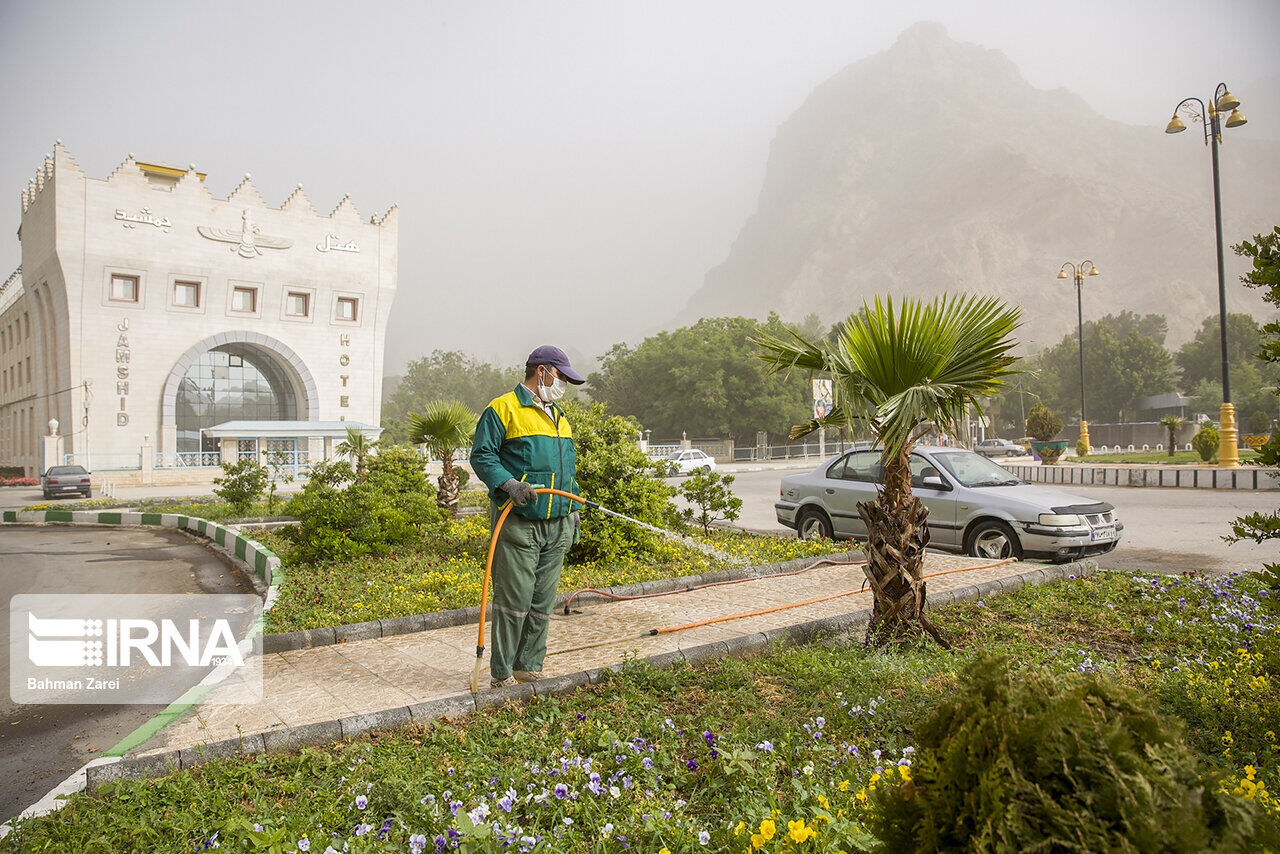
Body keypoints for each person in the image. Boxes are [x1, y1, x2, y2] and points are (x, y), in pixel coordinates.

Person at [470, 345, 585, 687]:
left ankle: (528, 665)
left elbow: (567, 470)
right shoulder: (502, 408)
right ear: (542, 371)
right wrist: (508, 484)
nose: (562, 383)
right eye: (561, 376)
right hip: (519, 523)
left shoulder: (558, 416)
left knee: (542, 600)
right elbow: (482, 456)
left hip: (557, 523)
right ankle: (503, 673)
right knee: (515, 599)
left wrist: (573, 509)